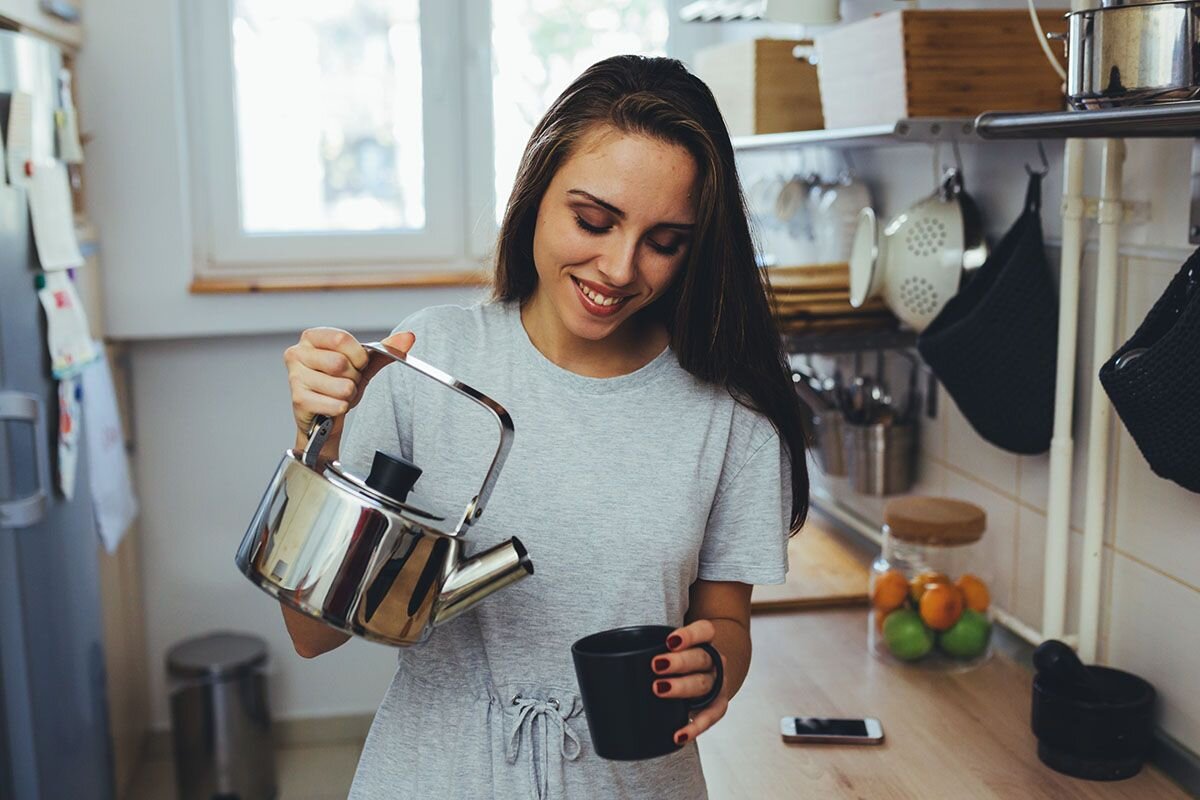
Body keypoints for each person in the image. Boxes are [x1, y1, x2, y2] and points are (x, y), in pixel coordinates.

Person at [280, 55, 809, 800]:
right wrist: (318, 446)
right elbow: (313, 635)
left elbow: (726, 620)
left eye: (665, 242)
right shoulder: (432, 360)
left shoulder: (729, 417)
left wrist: (714, 661)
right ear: (534, 197)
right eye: (593, 221)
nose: (621, 269)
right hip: (433, 775)